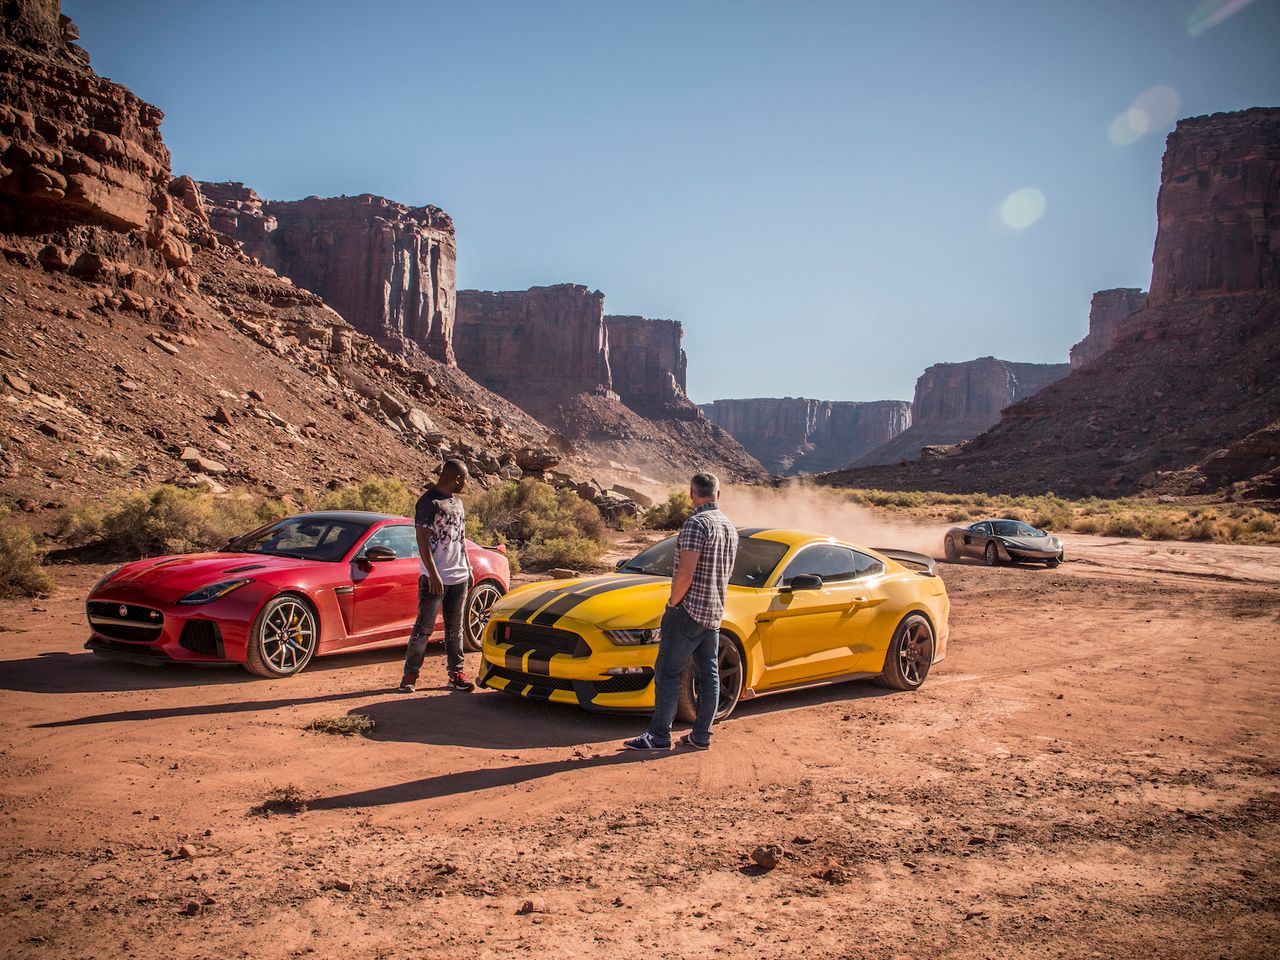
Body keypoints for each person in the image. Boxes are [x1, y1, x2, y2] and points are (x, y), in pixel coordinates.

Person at [623, 471, 738, 752]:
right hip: (713, 610)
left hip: (687, 610)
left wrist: (674, 603)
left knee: (667, 672)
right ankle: (702, 736)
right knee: (708, 674)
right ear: (718, 494)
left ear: (691, 494)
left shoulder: (696, 524)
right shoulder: (729, 527)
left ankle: (659, 735)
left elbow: (685, 573)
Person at [398, 459, 475, 693]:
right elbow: (422, 540)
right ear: (457, 478)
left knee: (455, 629)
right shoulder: (428, 502)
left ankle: (456, 674)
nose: (467, 483)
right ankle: (410, 677)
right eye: (466, 479)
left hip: (458, 576)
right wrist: (432, 574)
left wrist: (468, 567)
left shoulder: (458, 503)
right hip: (435, 577)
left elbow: (460, 538)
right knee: (424, 628)